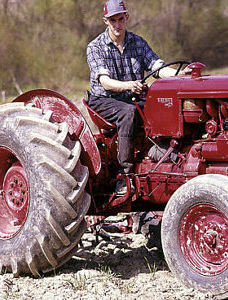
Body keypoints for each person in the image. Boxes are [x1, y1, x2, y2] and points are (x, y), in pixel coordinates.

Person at [86, 0, 188, 195]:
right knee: (129, 112)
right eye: (113, 20)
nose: (117, 24)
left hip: (131, 95)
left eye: (121, 19)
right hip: (103, 99)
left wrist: (181, 74)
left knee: (163, 103)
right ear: (105, 21)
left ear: (127, 18)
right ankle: (123, 175)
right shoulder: (95, 47)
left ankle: (164, 150)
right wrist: (129, 85)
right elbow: (105, 82)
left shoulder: (138, 42)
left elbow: (157, 68)